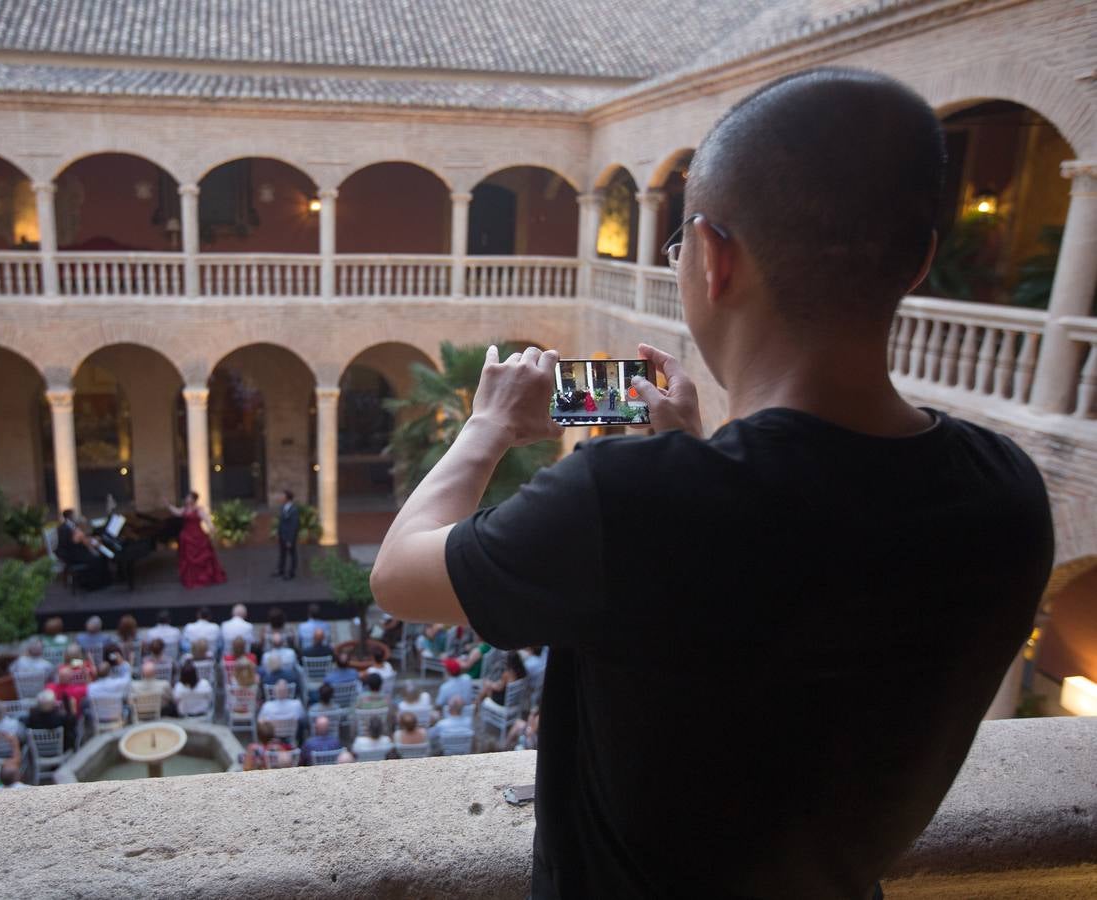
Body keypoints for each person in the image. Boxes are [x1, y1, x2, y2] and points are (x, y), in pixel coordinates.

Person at [369, 69, 1055, 898]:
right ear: (918, 263)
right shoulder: (1006, 497)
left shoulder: (628, 503)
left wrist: (490, 424)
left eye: (677, 246)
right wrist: (684, 449)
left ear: (714, 258)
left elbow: (400, 575)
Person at [167, 492, 228, 589]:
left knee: (203, 556)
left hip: (198, 536)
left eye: (188, 497)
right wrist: (168, 506)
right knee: (188, 558)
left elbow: (207, 519)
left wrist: (212, 528)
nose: (186, 499)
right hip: (187, 536)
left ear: (193, 499)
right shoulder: (185, 509)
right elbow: (177, 512)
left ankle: (204, 577)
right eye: (186, 497)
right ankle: (191, 578)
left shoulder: (199, 510)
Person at [55, 509, 111, 590]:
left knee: (98, 556)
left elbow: (79, 539)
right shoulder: (67, 528)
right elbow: (74, 542)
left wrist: (87, 540)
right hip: (71, 554)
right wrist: (89, 543)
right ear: (70, 517)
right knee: (96, 559)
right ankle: (92, 584)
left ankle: (100, 581)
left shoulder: (69, 526)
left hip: (73, 550)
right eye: (74, 515)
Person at [258, 678, 305, 743]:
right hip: (291, 735)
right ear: (287, 691)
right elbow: (302, 717)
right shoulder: (296, 704)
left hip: (272, 736)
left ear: (274, 692)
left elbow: (260, 721)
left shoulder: (267, 706)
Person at [271, 489, 300, 580]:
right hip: (282, 535)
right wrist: (278, 533)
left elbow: (293, 526)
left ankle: (291, 572)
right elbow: (281, 522)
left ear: (287, 498)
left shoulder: (294, 510)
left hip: (289, 536)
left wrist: (290, 540)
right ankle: (281, 570)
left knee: (292, 554)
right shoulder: (283, 507)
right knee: (282, 553)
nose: (281, 497)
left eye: (282, 496)